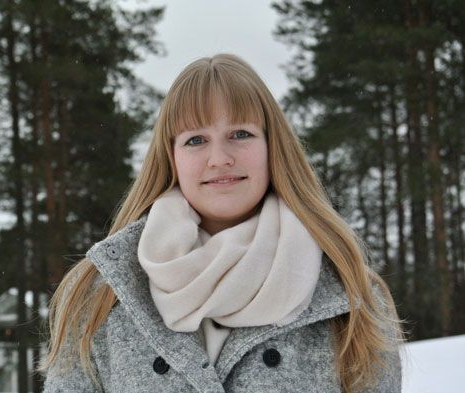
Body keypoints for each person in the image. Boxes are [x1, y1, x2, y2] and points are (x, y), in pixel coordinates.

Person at [40, 53, 403, 393]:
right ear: (172, 157)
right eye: (196, 140)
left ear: (272, 146)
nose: (219, 158)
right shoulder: (98, 292)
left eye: (240, 134)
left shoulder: (348, 289)